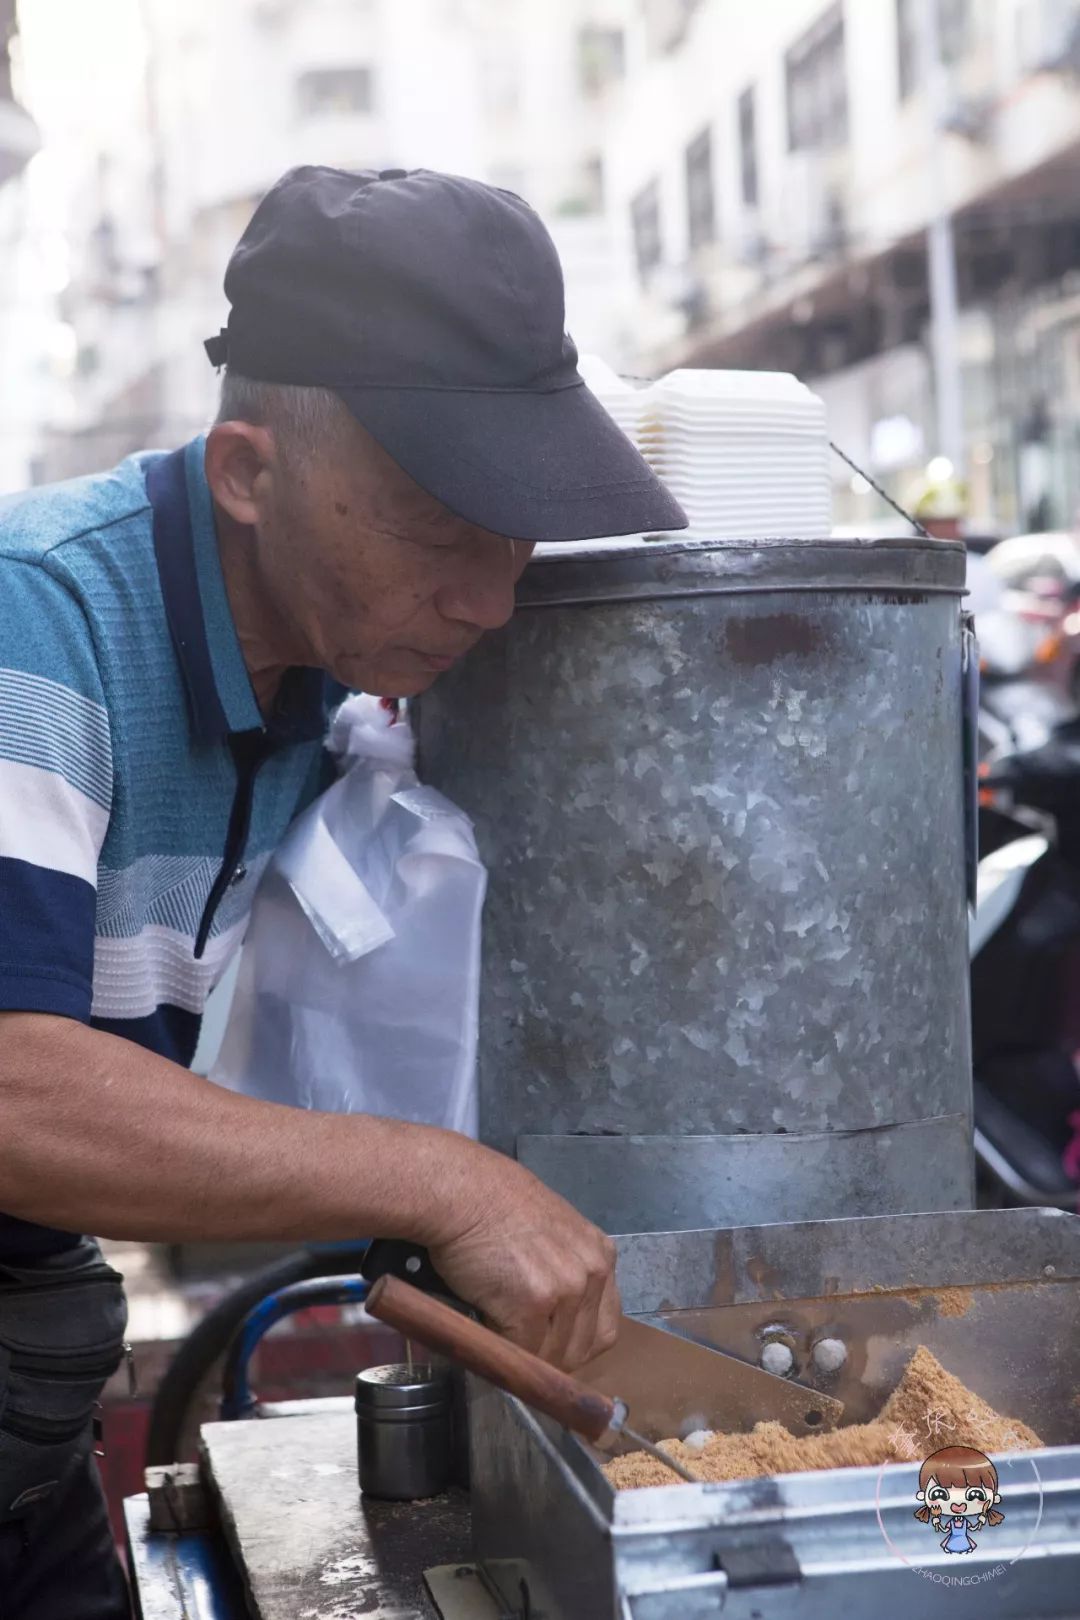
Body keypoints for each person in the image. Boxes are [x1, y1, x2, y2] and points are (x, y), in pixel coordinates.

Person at [0, 166, 687, 1617]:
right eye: (441, 536)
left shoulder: (327, 677)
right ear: (248, 473)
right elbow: (11, 1084)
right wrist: (445, 1180)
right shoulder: (39, 620)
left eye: (517, 538)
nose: (490, 602)